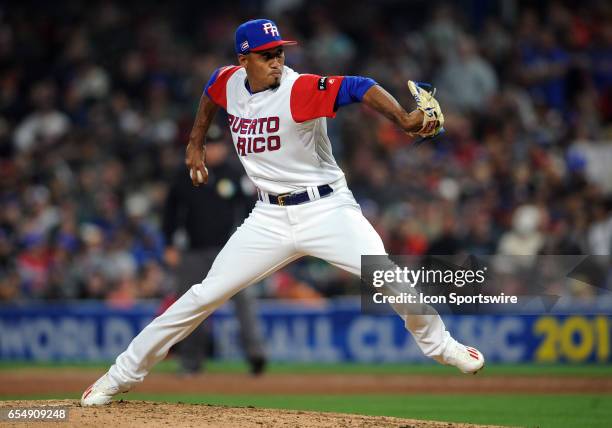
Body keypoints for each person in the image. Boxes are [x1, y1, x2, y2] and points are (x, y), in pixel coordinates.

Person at [81, 18, 484, 406]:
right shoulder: (228, 81)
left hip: (327, 209)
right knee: (202, 295)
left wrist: (403, 118)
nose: (277, 60)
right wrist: (195, 142)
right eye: (266, 54)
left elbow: (360, 86)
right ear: (244, 61)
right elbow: (211, 93)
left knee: (385, 274)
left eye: (279, 52)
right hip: (268, 218)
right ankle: (119, 376)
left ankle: (442, 346)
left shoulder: (300, 90)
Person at [162, 127, 266, 375]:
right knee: (191, 306)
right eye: (211, 145)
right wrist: (168, 243)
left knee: (244, 302)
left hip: (229, 251)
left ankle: (256, 356)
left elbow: (253, 208)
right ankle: (190, 361)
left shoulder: (234, 172)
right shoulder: (186, 173)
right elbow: (170, 210)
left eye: (220, 145)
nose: (217, 150)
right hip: (193, 251)